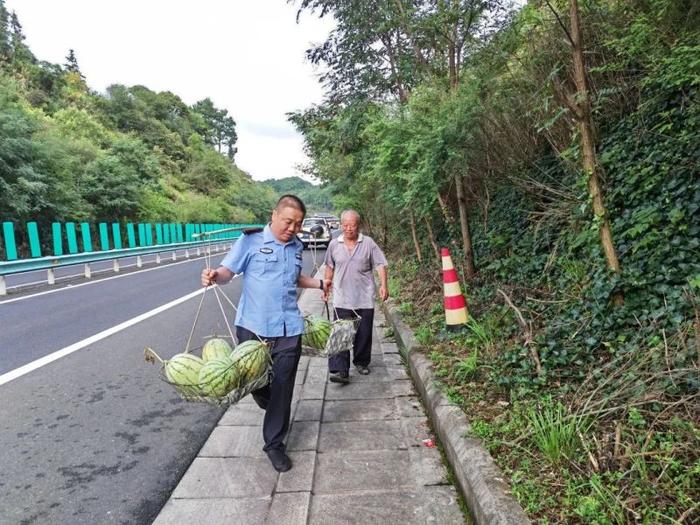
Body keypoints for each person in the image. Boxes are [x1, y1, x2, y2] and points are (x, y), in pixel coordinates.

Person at [201, 194, 329, 472]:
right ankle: (270, 406)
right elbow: (227, 272)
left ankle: (274, 444)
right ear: (274, 215)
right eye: (288, 222)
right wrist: (214, 277)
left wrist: (320, 284)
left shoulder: (296, 245)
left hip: (289, 328)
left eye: (298, 224)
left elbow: (294, 278)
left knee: (283, 387)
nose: (293, 229)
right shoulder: (250, 241)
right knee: (259, 385)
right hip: (253, 328)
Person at [322, 209, 388, 383]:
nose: (349, 229)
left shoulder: (368, 243)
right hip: (341, 296)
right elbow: (329, 266)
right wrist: (326, 285)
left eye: (353, 225)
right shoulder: (334, 244)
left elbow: (380, 264)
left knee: (363, 333)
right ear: (341, 225)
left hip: (364, 296)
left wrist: (383, 285)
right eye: (345, 225)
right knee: (340, 332)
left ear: (358, 225)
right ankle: (339, 369)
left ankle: (361, 362)